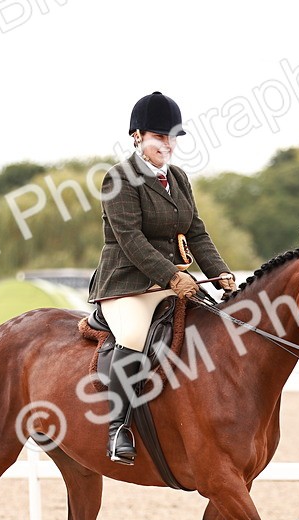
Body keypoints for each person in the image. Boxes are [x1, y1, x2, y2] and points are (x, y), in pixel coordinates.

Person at [88, 91, 236, 465]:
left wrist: (220, 272)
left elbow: (197, 232)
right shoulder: (118, 179)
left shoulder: (179, 178)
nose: (167, 145)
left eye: (172, 138)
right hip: (127, 284)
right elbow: (131, 240)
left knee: (214, 327)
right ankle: (117, 428)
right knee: (134, 336)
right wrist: (172, 276)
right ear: (137, 136)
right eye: (159, 137)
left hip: (172, 283)